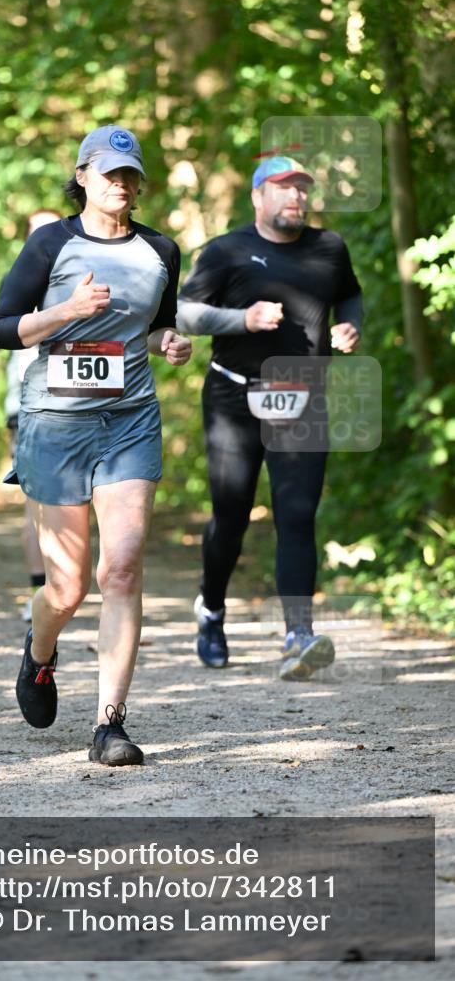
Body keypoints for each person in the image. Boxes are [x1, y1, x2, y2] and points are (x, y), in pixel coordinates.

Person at [0, 125, 191, 765]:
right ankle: (39, 653)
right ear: (82, 176)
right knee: (68, 588)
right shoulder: (51, 243)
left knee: (122, 569)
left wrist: (171, 343)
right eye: (109, 173)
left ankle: (111, 724)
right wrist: (64, 314)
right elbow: (0, 330)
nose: (121, 184)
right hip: (56, 423)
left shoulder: (161, 250)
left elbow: (157, 327)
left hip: (129, 420)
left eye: (131, 175)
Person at [176, 155, 363, 680]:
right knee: (230, 515)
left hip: (302, 400)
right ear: (258, 197)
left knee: (297, 515)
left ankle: (298, 635)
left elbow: (349, 294)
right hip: (234, 399)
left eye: (302, 188)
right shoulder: (226, 251)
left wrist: (349, 327)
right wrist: (243, 319)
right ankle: (211, 611)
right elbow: (185, 315)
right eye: (283, 188)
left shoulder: (329, 249)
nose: (295, 197)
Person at [3, 210, 61, 622]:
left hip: (79, 399)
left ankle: (68, 587)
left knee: (78, 500)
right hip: (27, 403)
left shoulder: (84, 270)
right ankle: (39, 591)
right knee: (36, 501)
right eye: (35, 230)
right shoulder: (19, 276)